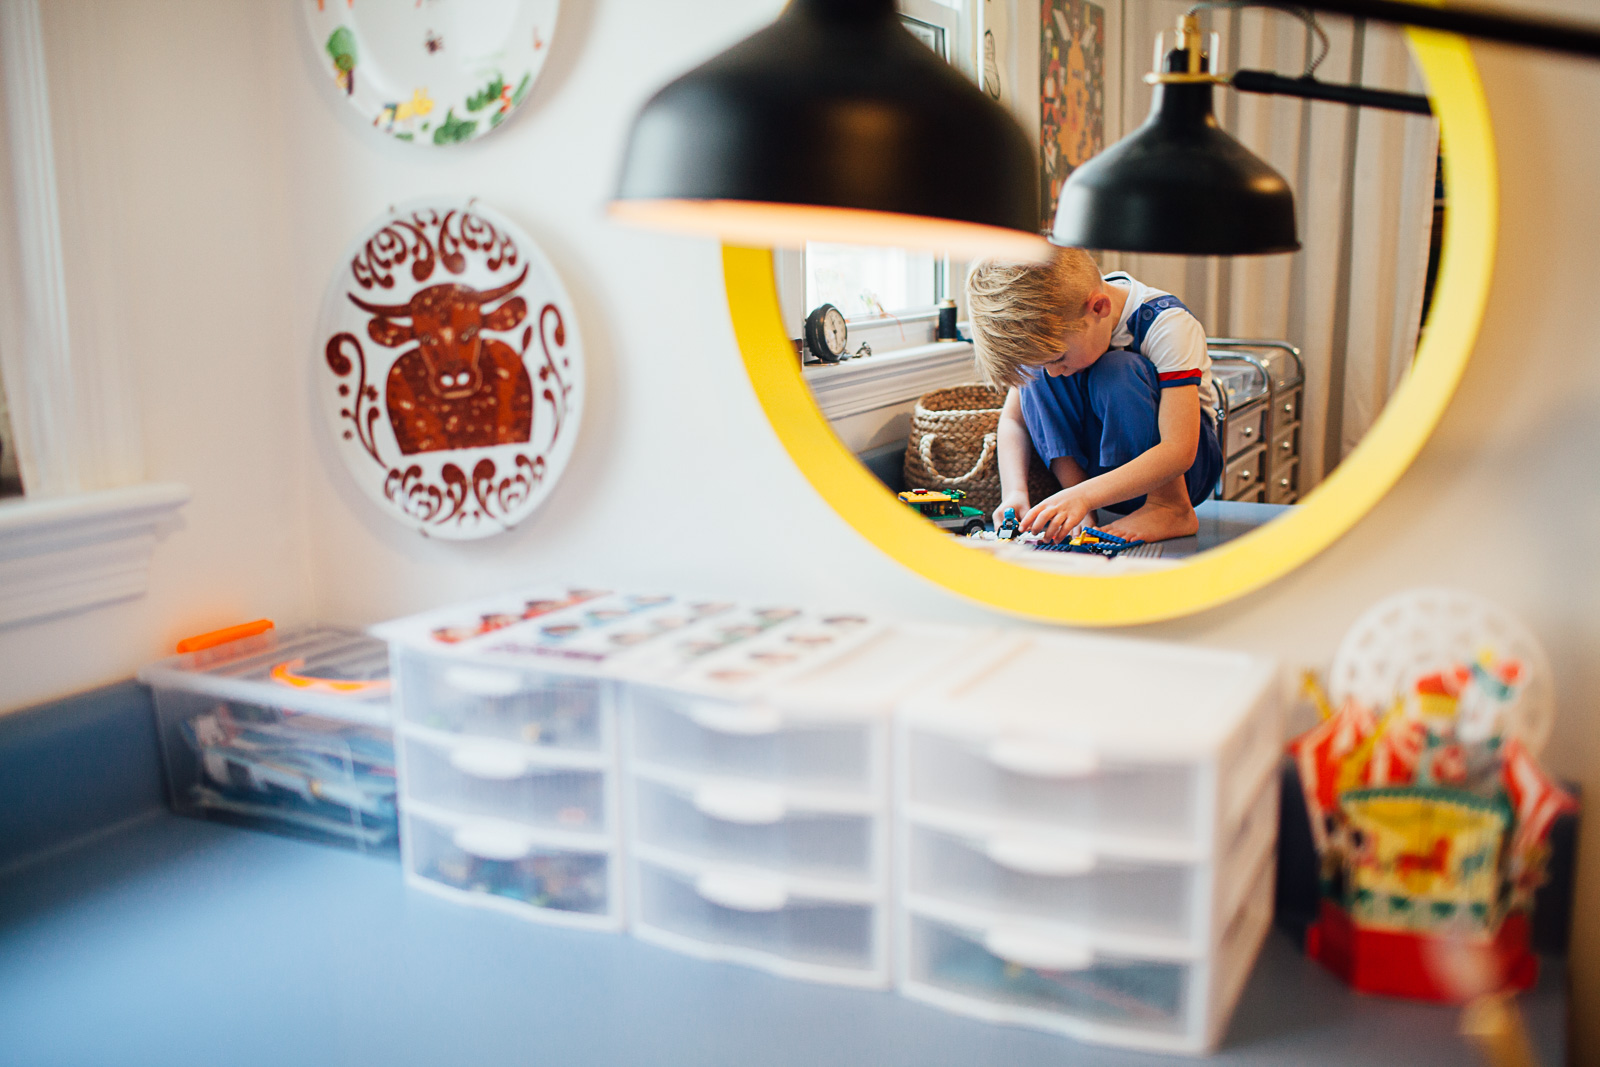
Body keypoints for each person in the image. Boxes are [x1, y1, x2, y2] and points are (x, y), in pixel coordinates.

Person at [966, 247, 1224, 544]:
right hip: (1098, 481)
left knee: (1117, 370)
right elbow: (1015, 420)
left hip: (1182, 470)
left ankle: (1170, 508)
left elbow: (1179, 450)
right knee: (1036, 375)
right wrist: (1015, 492)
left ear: (1099, 308)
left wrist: (1083, 496)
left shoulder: (1167, 323)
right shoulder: (1060, 325)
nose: (1054, 371)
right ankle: (1080, 508)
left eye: (1060, 357)